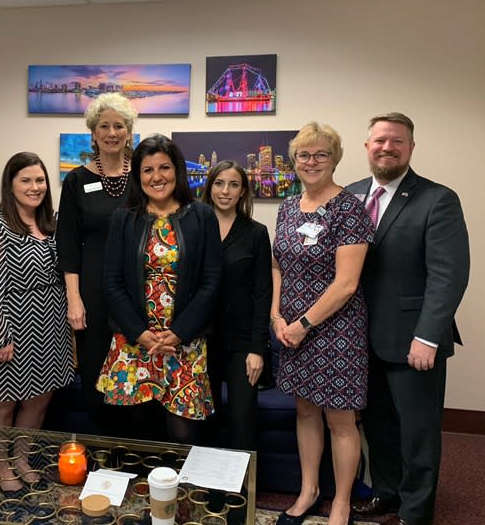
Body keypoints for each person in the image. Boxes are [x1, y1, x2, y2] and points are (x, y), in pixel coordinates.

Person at [348, 113, 469, 525]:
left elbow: (448, 276)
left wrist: (429, 337)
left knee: (417, 433)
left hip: (414, 341)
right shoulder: (350, 195)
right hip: (361, 339)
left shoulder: (438, 199)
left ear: (411, 148)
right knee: (379, 427)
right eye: (380, 140)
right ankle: (387, 493)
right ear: (367, 147)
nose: (387, 147)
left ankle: (416, 512)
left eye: (397, 141)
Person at [271, 123, 374, 525]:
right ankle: (308, 490)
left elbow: (347, 283)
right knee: (305, 412)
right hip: (293, 330)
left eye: (321, 155)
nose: (311, 162)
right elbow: (278, 265)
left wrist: (304, 323)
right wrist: (279, 316)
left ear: (335, 159)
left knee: (340, 418)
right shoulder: (287, 206)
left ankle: (342, 503)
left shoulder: (349, 208)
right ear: (293, 161)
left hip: (336, 330)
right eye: (304, 155)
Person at [97, 134, 222, 444]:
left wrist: (179, 333)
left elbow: (211, 281)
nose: (157, 177)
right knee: (135, 434)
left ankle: (177, 494)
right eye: (148, 170)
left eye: (164, 167)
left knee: (183, 434)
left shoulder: (202, 216)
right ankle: (139, 492)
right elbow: (111, 283)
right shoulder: (124, 219)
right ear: (138, 176)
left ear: (177, 171)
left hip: (185, 341)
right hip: (134, 341)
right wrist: (140, 333)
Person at [0, 152, 74, 491]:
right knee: (3, 402)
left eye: (40, 180)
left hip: (51, 323)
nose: (35, 187)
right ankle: (1, 467)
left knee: (40, 398)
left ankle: (22, 458)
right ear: (10, 184)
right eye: (26, 180)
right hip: (11, 324)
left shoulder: (53, 222)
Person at [57, 92, 137, 433]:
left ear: (129, 132)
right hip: (91, 288)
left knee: (134, 371)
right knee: (95, 372)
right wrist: (73, 299)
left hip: (137, 288)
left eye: (119, 126)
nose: (111, 132)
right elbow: (68, 243)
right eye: (104, 126)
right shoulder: (77, 180)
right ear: (93, 133)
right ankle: (102, 454)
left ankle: (133, 452)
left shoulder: (144, 177)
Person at [202, 160, 272, 451]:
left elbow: (262, 293)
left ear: (243, 191)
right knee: (205, 420)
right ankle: (205, 494)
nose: (225, 191)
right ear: (209, 188)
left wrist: (258, 348)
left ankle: (241, 494)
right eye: (219, 183)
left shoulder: (256, 232)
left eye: (233, 184)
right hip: (201, 341)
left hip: (243, 344)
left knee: (242, 421)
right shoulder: (192, 228)